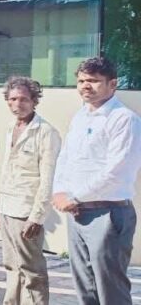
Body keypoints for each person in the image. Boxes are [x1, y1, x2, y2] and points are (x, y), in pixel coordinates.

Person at [52, 56, 141, 305]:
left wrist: (74, 196)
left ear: (113, 84)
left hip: (108, 214)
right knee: (85, 288)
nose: (85, 86)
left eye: (93, 80)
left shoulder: (123, 119)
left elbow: (116, 171)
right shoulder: (81, 116)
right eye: (81, 81)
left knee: (110, 290)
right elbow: (66, 158)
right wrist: (59, 191)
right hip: (77, 213)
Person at [0, 76, 60, 305]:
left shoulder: (46, 132)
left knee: (32, 270)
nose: (17, 104)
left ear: (34, 101)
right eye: (12, 99)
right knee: (11, 265)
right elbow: (7, 169)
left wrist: (37, 217)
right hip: (7, 207)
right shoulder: (11, 127)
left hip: (26, 210)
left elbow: (48, 179)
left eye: (23, 99)